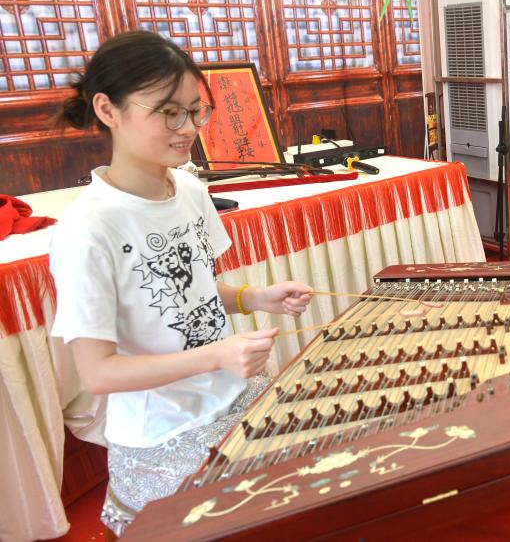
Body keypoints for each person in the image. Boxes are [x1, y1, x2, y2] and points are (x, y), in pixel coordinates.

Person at [49, 31, 314, 535]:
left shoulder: (189, 189)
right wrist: (216, 356)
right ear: (107, 109)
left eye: (195, 111)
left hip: (234, 396)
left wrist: (254, 297)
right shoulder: (88, 229)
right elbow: (98, 373)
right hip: (163, 432)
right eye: (168, 113)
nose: (188, 128)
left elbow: (194, 293)